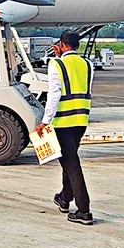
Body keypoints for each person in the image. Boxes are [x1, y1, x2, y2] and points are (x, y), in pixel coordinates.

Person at [43, 30, 95, 225]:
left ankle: (84, 210)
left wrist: (45, 121)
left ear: (62, 44)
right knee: (69, 159)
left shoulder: (56, 64)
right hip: (81, 120)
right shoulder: (87, 64)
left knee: (71, 164)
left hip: (63, 121)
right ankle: (65, 198)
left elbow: (54, 94)